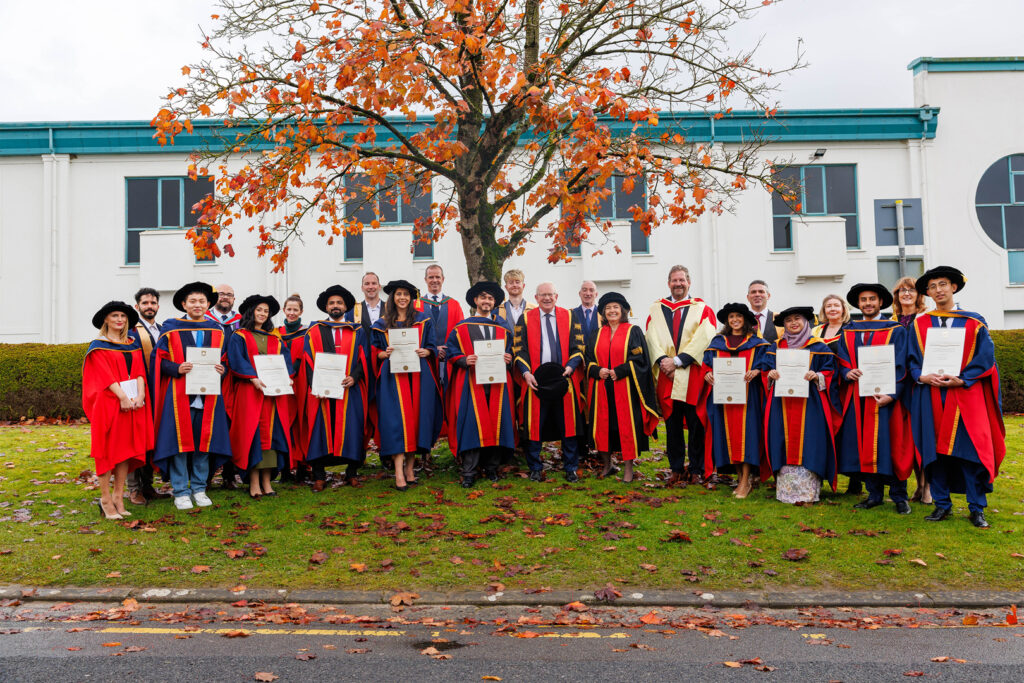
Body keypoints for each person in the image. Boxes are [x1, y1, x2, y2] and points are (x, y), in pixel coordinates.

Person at [908, 266, 1005, 528]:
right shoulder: (920, 323)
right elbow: (911, 359)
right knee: (935, 452)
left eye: (943, 284)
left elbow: (985, 357)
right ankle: (942, 505)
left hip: (964, 395)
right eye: (932, 287)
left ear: (954, 287)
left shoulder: (974, 322)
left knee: (968, 452)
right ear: (927, 293)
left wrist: (963, 378)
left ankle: (976, 508)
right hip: (931, 395)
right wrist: (922, 376)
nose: (938, 290)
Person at [835, 283, 914, 515]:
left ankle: (900, 496)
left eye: (872, 299)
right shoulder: (849, 330)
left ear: (881, 302)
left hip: (888, 398)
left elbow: (903, 362)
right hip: (859, 397)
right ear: (858, 304)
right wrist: (846, 372)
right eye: (863, 300)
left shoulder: (896, 329)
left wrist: (893, 394)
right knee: (865, 445)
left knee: (892, 445)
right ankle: (874, 494)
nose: (868, 303)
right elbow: (841, 358)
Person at [152, 282, 231, 510]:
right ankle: (181, 491)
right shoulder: (171, 329)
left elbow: (225, 362)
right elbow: (159, 361)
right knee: (179, 443)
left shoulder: (218, 331)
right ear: (184, 304)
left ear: (208, 305)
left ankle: (199, 488)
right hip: (178, 396)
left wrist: (222, 371)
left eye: (202, 301)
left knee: (203, 443)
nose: (198, 305)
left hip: (208, 398)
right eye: (193, 301)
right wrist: (177, 368)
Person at [645, 265, 716, 485]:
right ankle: (675, 468)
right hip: (666, 375)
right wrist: (662, 361)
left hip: (691, 372)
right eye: (674, 280)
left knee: (696, 424)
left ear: (689, 282)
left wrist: (678, 361)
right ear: (669, 283)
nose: (678, 284)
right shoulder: (656, 309)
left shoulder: (702, 308)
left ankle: (696, 469)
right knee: (672, 423)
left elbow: (705, 336)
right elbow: (651, 337)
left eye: (682, 280)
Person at [82, 301, 153, 520]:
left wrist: (140, 395)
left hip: (132, 402)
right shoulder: (98, 346)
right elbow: (103, 376)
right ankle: (105, 499)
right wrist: (122, 396)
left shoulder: (132, 343)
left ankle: (118, 497)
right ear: (106, 319)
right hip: (110, 403)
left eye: (123, 316)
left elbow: (140, 371)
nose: (120, 319)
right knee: (107, 451)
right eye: (114, 315)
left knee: (125, 450)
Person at [372, 279, 444, 490]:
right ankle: (398, 472)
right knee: (395, 422)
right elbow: (373, 352)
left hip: (418, 376)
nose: (402, 298)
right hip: (392, 378)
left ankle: (410, 468)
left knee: (415, 421)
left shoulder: (423, 320)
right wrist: (382, 354)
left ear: (412, 299)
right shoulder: (381, 324)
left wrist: (427, 352)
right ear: (392, 298)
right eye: (398, 294)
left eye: (406, 294)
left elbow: (431, 346)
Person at [765, 306, 840, 504]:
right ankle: (785, 492)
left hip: (811, 405)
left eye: (797, 319)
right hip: (781, 404)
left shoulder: (819, 347)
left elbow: (831, 372)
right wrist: (770, 375)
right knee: (782, 439)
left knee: (810, 442)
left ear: (806, 322)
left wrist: (818, 376)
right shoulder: (776, 347)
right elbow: (766, 371)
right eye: (789, 320)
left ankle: (808, 492)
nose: (793, 323)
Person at [513, 282, 586, 482]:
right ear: (535, 298)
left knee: (568, 426)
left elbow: (578, 345)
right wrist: (526, 372)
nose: (547, 298)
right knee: (534, 425)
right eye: (542, 295)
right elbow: (519, 348)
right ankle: (535, 467)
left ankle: (570, 467)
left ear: (557, 296)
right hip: (536, 381)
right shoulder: (526, 318)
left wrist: (571, 366)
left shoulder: (570, 316)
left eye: (550, 295)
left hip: (564, 379)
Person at [584, 292, 660, 482]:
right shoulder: (597, 333)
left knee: (625, 428)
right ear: (603, 312)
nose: (612, 311)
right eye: (608, 308)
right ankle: (608, 464)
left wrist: (622, 370)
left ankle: (628, 468)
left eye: (615, 307)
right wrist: (596, 370)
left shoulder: (633, 331)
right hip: (602, 388)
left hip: (625, 389)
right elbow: (588, 360)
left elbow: (641, 360)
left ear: (623, 310)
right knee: (603, 427)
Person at [699, 303, 771, 498]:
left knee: (747, 437)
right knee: (730, 437)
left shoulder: (758, 344)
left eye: (739, 316)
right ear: (726, 320)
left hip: (749, 399)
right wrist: (707, 374)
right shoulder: (717, 343)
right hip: (724, 399)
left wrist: (758, 370)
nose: (735, 320)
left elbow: (767, 365)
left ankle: (746, 480)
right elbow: (706, 365)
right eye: (731, 317)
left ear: (746, 319)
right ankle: (741, 479)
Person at [446, 282, 516, 487]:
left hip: (498, 383)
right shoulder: (461, 328)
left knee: (496, 421)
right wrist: (463, 359)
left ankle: (491, 467)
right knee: (472, 425)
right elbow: (451, 351)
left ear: (494, 303)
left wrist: (508, 357)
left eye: (491, 298)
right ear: (475, 300)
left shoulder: (503, 327)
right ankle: (469, 471)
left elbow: (512, 351)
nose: (487, 301)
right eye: (483, 297)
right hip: (472, 383)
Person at [300, 285, 369, 491]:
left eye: (339, 303)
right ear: (326, 307)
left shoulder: (357, 330)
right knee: (320, 429)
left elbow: (364, 359)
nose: (335, 306)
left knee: (352, 428)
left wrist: (354, 377)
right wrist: (315, 385)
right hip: (322, 391)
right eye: (332, 303)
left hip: (350, 389)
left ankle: (351, 473)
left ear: (346, 306)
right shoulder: (314, 331)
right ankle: (319, 475)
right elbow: (308, 360)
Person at [227, 295, 295, 498]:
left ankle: (267, 482)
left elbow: (286, 362)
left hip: (273, 395)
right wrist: (252, 378)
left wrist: (288, 377)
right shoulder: (239, 336)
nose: (263, 314)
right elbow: (236, 360)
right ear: (251, 312)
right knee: (253, 435)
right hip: (250, 392)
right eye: (259, 310)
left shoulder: (275, 338)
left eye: (266, 311)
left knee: (272, 436)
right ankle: (254, 482)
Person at [811, 292, 858, 495]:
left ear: (843, 309)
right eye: (828, 306)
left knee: (847, 432)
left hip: (844, 386)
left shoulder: (850, 330)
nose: (832, 309)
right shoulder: (815, 331)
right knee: (823, 430)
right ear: (823, 310)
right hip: (822, 386)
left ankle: (854, 481)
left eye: (836, 306)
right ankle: (821, 474)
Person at [890, 276, 931, 503]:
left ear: (918, 294)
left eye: (911, 290)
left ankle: (926, 486)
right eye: (901, 290)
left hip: (919, 383)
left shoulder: (926, 319)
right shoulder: (891, 321)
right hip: (898, 385)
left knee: (922, 435)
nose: (906, 293)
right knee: (907, 438)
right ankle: (915, 486)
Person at [126, 287, 168, 506]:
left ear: (158, 306)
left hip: (158, 393)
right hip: (139, 393)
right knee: (136, 440)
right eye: (145, 303)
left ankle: (148, 486)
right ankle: (133, 489)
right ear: (137, 306)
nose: (149, 306)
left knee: (151, 440)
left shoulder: (162, 330)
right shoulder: (130, 331)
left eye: (153, 303)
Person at [415, 264, 465, 390]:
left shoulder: (454, 305)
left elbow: (462, 334)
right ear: (425, 280)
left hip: (450, 360)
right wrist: (434, 349)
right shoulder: (416, 306)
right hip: (425, 361)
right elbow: (413, 335)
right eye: (431, 277)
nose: (434, 280)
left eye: (437, 277)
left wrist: (448, 349)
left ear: (443, 279)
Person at [277, 294, 308, 476]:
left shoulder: (307, 333)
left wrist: (294, 370)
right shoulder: (276, 333)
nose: (292, 313)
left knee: (301, 422)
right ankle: (286, 468)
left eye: (296, 310)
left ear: (301, 311)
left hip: (301, 382)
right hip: (282, 382)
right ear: (284, 310)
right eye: (289, 309)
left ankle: (303, 466)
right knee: (284, 422)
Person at [572, 280, 600, 464]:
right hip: (578, 369)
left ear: (596, 294)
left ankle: (600, 445)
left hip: (599, 369)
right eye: (584, 290)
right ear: (579, 293)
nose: (588, 293)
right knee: (579, 407)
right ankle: (581, 448)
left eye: (591, 290)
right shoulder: (570, 314)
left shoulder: (603, 313)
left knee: (599, 406)